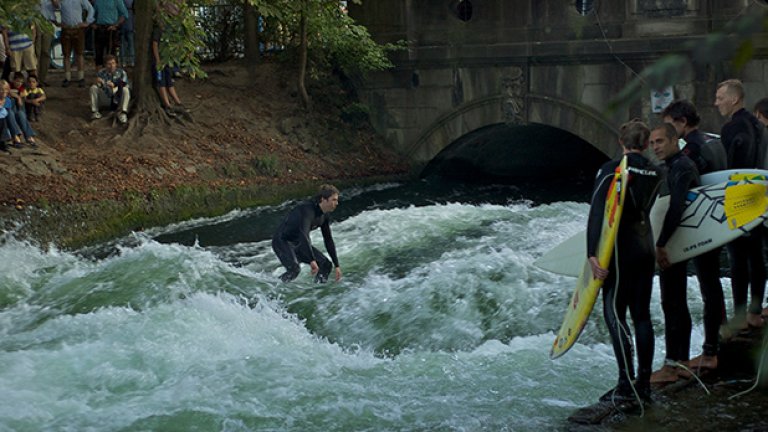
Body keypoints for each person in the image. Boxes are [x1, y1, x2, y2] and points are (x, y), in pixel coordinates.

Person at [587, 120, 662, 403]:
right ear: (645, 144)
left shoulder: (612, 170)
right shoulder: (657, 171)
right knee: (642, 315)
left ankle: (625, 381)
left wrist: (591, 253)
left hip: (619, 248)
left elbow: (597, 212)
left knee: (614, 312)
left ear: (622, 143)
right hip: (645, 245)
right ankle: (644, 382)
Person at [661, 100, 726, 371]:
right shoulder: (714, 139)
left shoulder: (691, 150)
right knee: (712, 286)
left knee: (687, 292)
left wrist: (662, 240)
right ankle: (714, 348)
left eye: (669, 126)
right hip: (717, 221)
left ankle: (689, 356)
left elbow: (683, 192)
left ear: (681, 122)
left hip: (694, 226)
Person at [648, 123, 701, 383]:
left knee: (672, 302)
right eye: (652, 143)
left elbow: (677, 208)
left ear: (673, 140)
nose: (655, 147)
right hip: (677, 241)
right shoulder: (671, 166)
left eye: (659, 141)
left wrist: (661, 244)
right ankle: (681, 360)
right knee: (675, 301)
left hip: (675, 243)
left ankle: (672, 365)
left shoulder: (681, 166)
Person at [714, 79, 766, 331]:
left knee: (737, 258)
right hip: (757, 192)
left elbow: (729, 164)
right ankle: (755, 313)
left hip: (738, 195)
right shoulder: (758, 125)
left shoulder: (732, 128)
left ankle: (739, 315)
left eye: (720, 97)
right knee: (756, 255)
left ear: (734, 99)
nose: (716, 103)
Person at [272, 184, 343, 283]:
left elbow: (328, 239)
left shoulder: (324, 215)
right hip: (282, 241)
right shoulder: (307, 210)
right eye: (334, 200)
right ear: (323, 199)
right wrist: (311, 260)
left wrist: (337, 265)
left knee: (325, 264)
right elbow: (304, 235)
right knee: (294, 269)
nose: (337, 203)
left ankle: (318, 290)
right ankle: (273, 286)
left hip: (298, 243)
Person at [151, 17, 189, 117]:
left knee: (169, 82)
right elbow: (155, 45)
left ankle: (178, 102)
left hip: (167, 61)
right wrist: (158, 60)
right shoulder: (158, 30)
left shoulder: (169, 31)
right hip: (159, 62)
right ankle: (167, 105)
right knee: (161, 83)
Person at [55, 0, 95, 88]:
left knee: (80, 54)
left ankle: (81, 78)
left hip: (78, 28)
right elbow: (52, 7)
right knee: (66, 54)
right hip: (66, 28)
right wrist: (55, 21)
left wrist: (87, 22)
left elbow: (90, 9)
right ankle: (67, 78)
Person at [89, 54, 130, 123]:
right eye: (109, 64)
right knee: (93, 88)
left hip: (117, 97)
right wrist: (99, 82)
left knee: (125, 90)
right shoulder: (101, 73)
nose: (111, 66)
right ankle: (95, 112)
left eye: (113, 63)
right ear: (105, 65)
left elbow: (125, 83)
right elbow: (97, 85)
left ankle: (123, 113)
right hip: (105, 96)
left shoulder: (121, 72)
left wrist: (115, 85)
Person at [91, 0, 127, 70]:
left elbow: (124, 14)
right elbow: (93, 15)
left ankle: (112, 75)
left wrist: (116, 25)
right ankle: (100, 76)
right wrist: (93, 24)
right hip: (100, 28)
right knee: (98, 53)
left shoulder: (117, 1)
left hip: (111, 29)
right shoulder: (98, 1)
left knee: (111, 53)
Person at [37, 0, 58, 86]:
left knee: (45, 52)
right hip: (36, 23)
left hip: (48, 23)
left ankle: (42, 79)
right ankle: (34, 79)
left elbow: (57, 6)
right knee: (37, 52)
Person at [119, 0, 135, 67]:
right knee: (123, 43)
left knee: (130, 43)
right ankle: (124, 61)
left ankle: (131, 61)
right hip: (123, 23)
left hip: (129, 23)